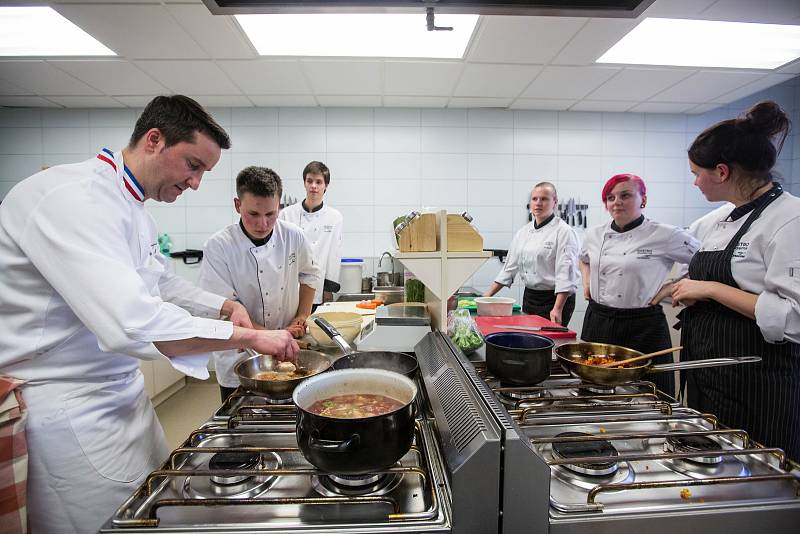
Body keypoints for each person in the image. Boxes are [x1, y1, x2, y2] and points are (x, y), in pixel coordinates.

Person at [0, 95, 299, 534]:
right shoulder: (72, 199)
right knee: (110, 524)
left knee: (155, 511)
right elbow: (131, 322)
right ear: (154, 140)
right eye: (193, 165)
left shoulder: (132, 207)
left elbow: (156, 284)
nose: (196, 182)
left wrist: (223, 305)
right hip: (70, 414)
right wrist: (249, 337)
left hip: (122, 397)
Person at [672, 101, 800, 460]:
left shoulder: (790, 218)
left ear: (722, 171)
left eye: (697, 173)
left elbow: (792, 319)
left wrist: (712, 289)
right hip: (708, 375)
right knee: (707, 467)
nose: (695, 182)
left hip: (756, 384)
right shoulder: (721, 218)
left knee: (755, 478)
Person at [199, 166, 321, 402]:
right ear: (238, 205)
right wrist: (273, 337)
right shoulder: (219, 247)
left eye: (271, 214)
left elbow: (310, 274)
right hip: (241, 359)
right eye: (253, 214)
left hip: (288, 350)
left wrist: (301, 317)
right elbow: (226, 309)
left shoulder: (293, 236)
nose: (263, 224)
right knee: (241, 421)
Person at [579, 173, 700, 396]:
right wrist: (586, 281)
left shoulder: (665, 234)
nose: (617, 202)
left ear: (643, 200)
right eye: (611, 197)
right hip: (599, 320)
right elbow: (583, 258)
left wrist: (672, 286)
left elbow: (706, 260)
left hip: (644, 325)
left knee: (655, 392)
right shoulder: (593, 234)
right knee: (594, 390)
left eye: (625, 195)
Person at [484, 182, 580, 326]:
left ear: (555, 202)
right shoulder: (523, 232)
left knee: (549, 342)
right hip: (530, 296)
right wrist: (486, 297)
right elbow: (508, 269)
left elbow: (565, 274)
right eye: (534, 199)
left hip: (555, 299)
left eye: (544, 199)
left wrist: (557, 308)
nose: (538, 203)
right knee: (529, 338)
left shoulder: (564, 231)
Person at [279, 161, 343, 308]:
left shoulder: (335, 217)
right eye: (310, 181)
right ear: (304, 183)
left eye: (318, 182)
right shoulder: (286, 215)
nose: (314, 186)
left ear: (326, 186)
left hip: (318, 288)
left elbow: (334, 253)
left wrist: (329, 289)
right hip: (290, 288)